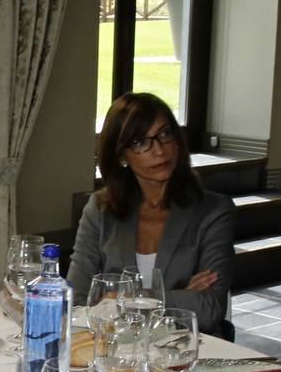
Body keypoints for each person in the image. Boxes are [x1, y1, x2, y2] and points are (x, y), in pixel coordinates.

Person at [66, 92, 233, 335]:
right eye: (140, 142)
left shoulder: (214, 211)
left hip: (184, 351)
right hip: (114, 351)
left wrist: (122, 298)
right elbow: (79, 299)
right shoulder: (100, 210)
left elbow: (208, 310)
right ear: (122, 156)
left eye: (165, 134)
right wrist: (179, 297)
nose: (159, 150)